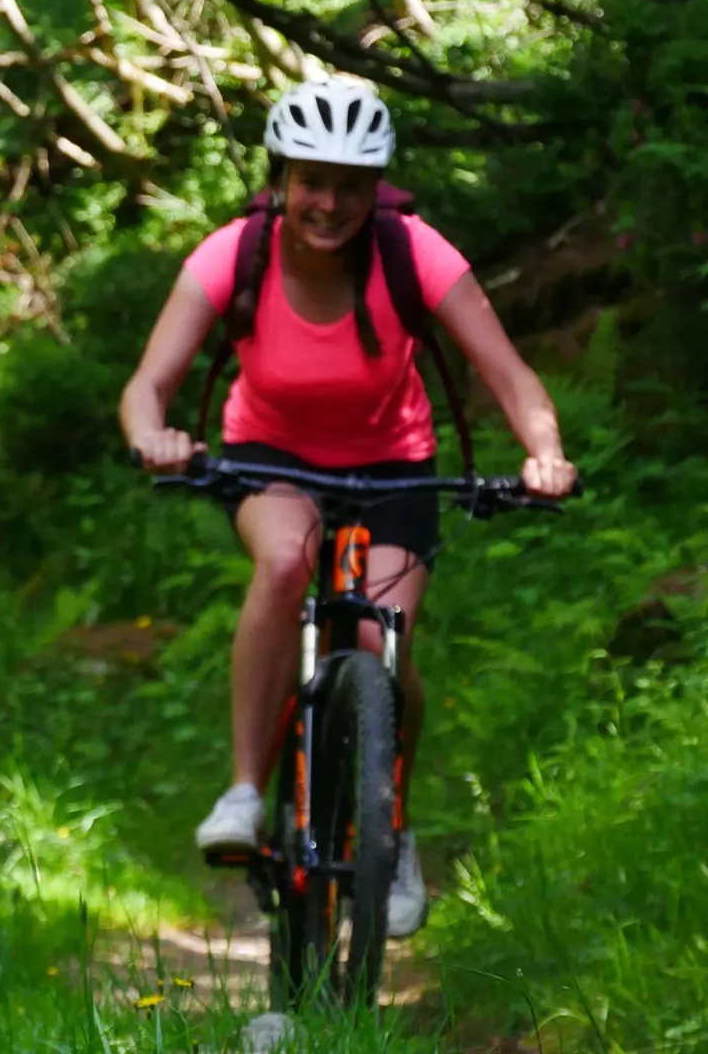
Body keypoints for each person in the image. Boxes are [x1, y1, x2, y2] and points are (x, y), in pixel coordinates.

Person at [117, 76, 579, 939]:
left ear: (378, 189)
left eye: (351, 184)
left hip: (394, 462)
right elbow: (148, 385)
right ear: (280, 177)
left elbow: (511, 376)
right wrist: (155, 435)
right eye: (311, 180)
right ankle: (246, 794)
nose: (329, 202)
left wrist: (543, 453)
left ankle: (391, 831)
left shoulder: (413, 252)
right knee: (286, 559)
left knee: (384, 644)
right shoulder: (234, 254)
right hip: (271, 455)